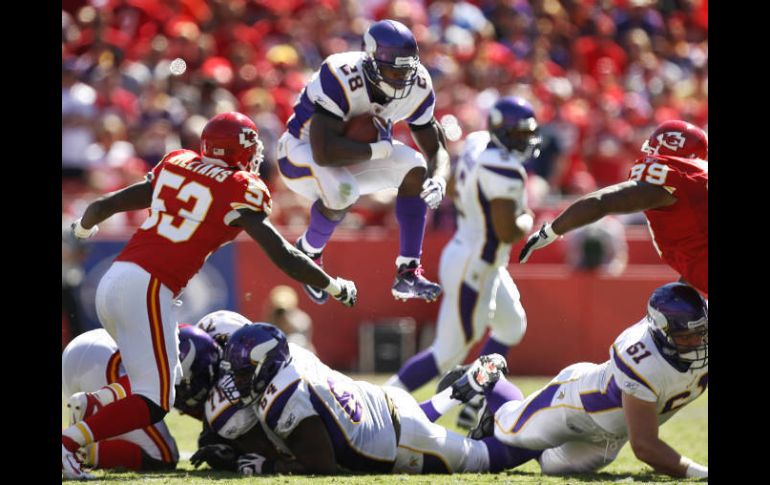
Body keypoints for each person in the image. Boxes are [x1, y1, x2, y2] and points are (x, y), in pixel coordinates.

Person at [62, 111, 357, 480]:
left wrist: (85, 224)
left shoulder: (177, 161)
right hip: (150, 286)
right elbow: (285, 255)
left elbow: (107, 204)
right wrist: (333, 285)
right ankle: (68, 444)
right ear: (241, 150)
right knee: (155, 401)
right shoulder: (240, 187)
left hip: (116, 278)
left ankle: (93, 403)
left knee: (167, 373)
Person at [432, 282, 709, 479]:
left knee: (553, 466)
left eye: (700, 333)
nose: (696, 342)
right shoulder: (641, 358)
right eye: (686, 337)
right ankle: (490, 378)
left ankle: (513, 424)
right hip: (574, 404)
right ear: (660, 333)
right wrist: (700, 473)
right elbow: (645, 446)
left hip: (612, 435)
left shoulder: (698, 334)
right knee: (508, 429)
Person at [385, 96, 539, 427]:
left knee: (512, 325)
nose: (526, 140)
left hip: (472, 252)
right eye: (521, 133)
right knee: (448, 353)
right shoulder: (506, 170)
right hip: (477, 266)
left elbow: (454, 187)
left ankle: (477, 400)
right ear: (504, 132)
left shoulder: (477, 142)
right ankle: (385, 402)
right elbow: (508, 230)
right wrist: (527, 218)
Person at [276, 19, 451, 305]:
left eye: (404, 69)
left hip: (356, 153)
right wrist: (377, 150)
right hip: (300, 152)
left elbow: (437, 147)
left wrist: (440, 177)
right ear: (369, 61)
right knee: (344, 190)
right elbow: (325, 152)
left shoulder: (418, 83)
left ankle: (408, 271)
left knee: (415, 168)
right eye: (391, 69)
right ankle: (309, 251)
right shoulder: (341, 73)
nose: (399, 77)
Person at [208, 323, 527, 475]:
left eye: (243, 373)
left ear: (266, 365)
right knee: (413, 424)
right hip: (385, 408)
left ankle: (498, 387)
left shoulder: (282, 398)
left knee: (499, 457)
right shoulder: (293, 357)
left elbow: (323, 468)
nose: (237, 381)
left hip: (399, 439)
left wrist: (265, 466)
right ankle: (459, 392)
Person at [519, 120, 708, 295]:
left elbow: (600, 202)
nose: (649, 157)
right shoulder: (696, 185)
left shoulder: (676, 180)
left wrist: (551, 231)